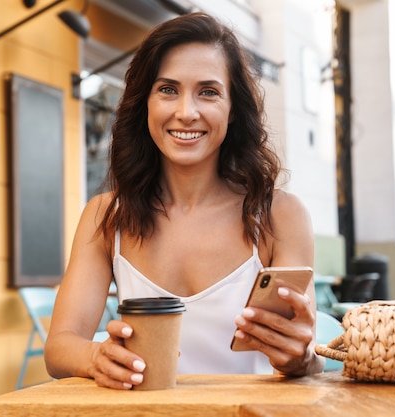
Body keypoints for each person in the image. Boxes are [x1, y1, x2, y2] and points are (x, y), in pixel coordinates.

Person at [44, 12, 324, 390]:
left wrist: (303, 357)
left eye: (208, 92)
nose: (186, 112)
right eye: (167, 89)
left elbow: (303, 353)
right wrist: (97, 357)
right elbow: (59, 346)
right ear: (144, 103)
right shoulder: (106, 217)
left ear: (232, 108)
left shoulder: (279, 216)